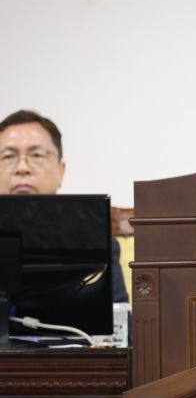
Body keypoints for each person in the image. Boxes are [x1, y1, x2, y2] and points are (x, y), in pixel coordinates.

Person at [0, 109, 129, 303]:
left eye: (37, 155)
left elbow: (119, 317)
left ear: (61, 170)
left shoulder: (95, 243)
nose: (22, 168)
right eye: (8, 156)